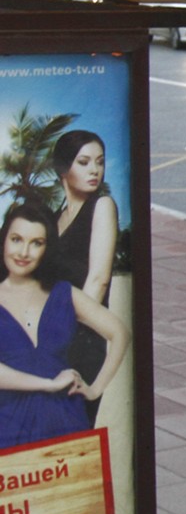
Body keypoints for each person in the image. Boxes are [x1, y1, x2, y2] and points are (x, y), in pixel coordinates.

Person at [0, 197, 129, 452]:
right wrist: (48, 384)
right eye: (17, 239)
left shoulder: (64, 294)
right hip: (7, 425)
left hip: (66, 421)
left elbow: (120, 333)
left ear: (47, 249)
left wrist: (95, 390)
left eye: (36, 243)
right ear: (4, 240)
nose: (24, 253)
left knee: (74, 491)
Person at [41, 130, 119, 422]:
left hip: (81, 343)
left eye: (99, 161)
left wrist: (61, 335)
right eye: (84, 162)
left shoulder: (102, 206)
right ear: (63, 168)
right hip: (54, 343)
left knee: (73, 435)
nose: (95, 170)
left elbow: (98, 281)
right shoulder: (54, 217)